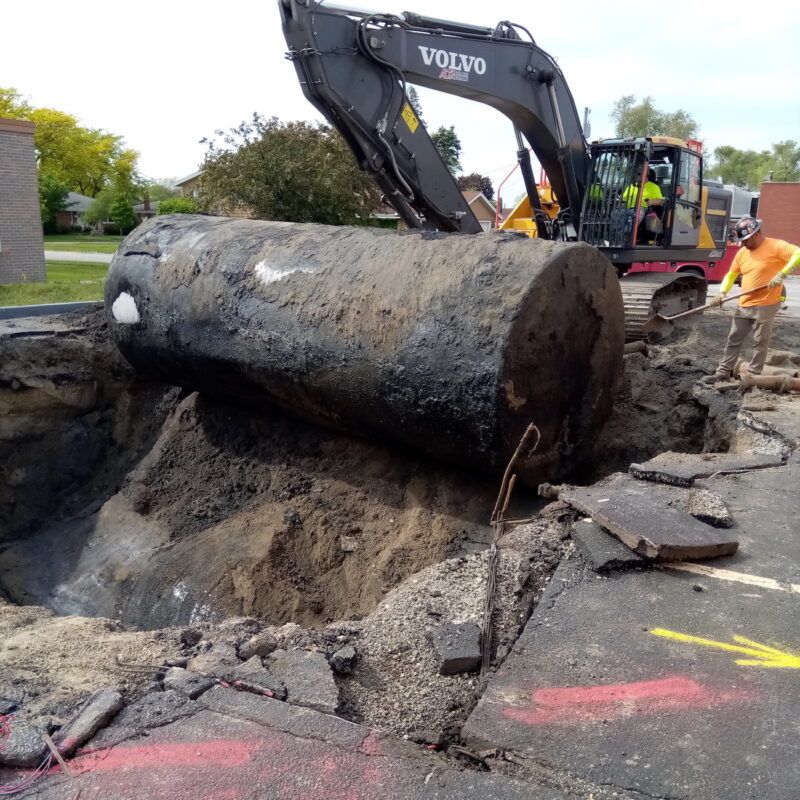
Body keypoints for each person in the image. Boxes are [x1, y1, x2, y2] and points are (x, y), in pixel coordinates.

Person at [701, 217, 800, 384]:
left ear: (756, 234)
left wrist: (782, 273)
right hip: (745, 303)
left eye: (745, 240)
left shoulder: (776, 246)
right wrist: (722, 293)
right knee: (733, 339)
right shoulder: (742, 253)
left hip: (766, 304)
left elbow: (798, 253)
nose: (743, 244)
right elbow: (732, 274)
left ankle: (752, 376)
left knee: (760, 342)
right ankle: (722, 373)